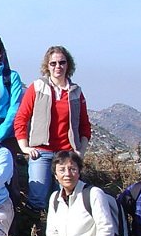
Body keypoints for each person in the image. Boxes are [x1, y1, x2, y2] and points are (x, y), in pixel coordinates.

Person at [14, 46, 91, 210]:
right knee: (37, 198)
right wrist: (24, 147)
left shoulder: (76, 92)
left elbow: (85, 125)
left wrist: (80, 152)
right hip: (40, 152)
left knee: (65, 200)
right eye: (53, 63)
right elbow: (21, 118)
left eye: (62, 62)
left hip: (67, 153)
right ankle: (35, 233)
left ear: (68, 65)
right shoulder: (37, 87)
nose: (58, 67)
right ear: (47, 66)